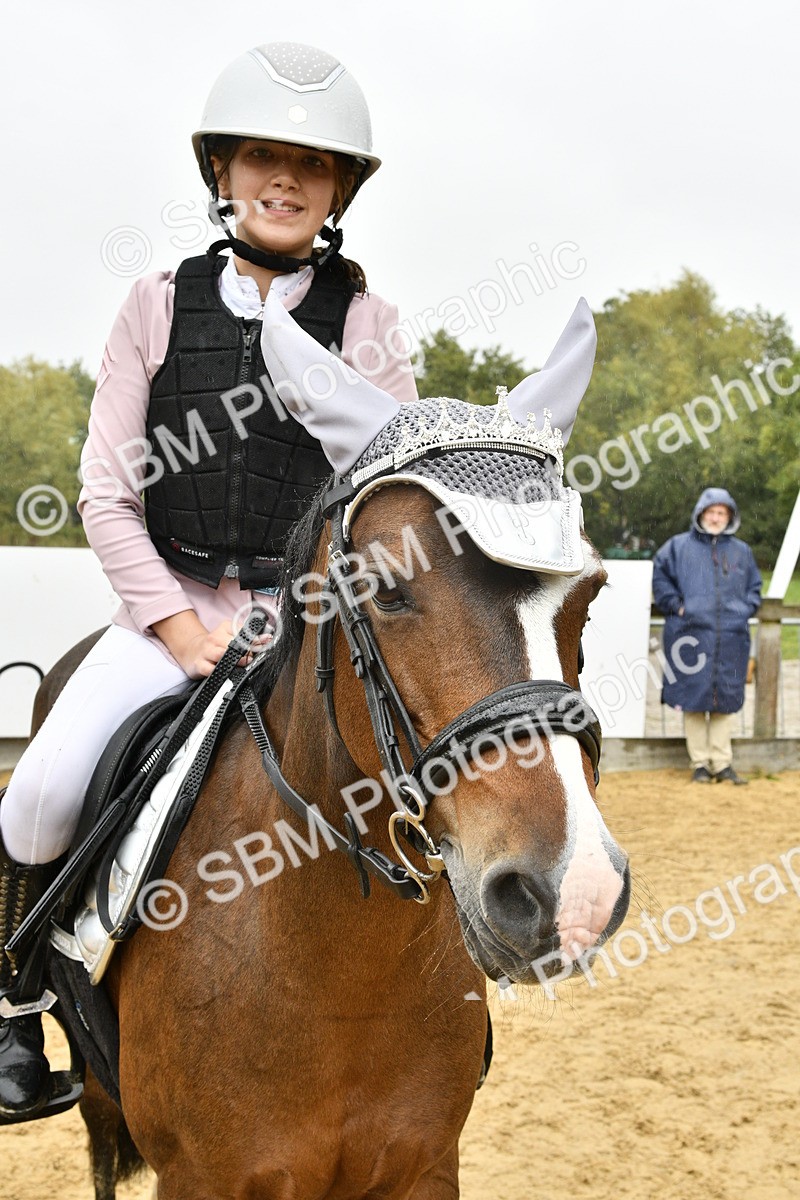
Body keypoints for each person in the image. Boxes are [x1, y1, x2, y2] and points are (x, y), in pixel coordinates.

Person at [0, 41, 417, 1120]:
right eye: (260, 158)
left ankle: (442, 1023)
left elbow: (384, 500)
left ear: (339, 190)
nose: (284, 180)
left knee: (418, 782)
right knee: (39, 794)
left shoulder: (368, 324)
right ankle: (11, 1011)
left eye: (313, 165)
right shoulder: (153, 301)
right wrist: (180, 633)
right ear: (221, 175)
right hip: (166, 612)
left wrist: (303, 620)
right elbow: (104, 493)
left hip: (306, 623)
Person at [652, 487, 762, 785]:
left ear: (729, 517)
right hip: (690, 636)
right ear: (701, 513)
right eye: (711, 512)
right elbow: (661, 580)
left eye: (722, 513)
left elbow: (754, 586)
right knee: (694, 698)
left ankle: (722, 763)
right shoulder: (676, 548)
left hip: (731, 637)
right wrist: (678, 607)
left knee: (725, 699)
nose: (716, 518)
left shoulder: (742, 552)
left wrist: (745, 609)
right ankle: (700, 763)